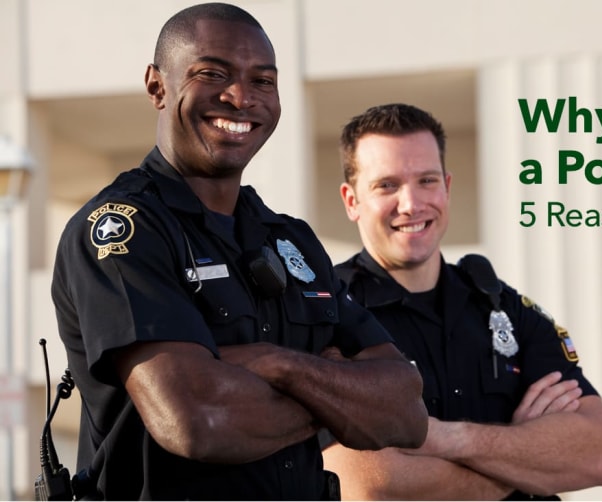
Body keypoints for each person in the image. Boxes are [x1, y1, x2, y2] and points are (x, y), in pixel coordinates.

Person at [50, 4, 427, 500]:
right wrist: (342, 395)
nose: (240, 97)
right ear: (157, 86)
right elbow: (196, 420)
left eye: (263, 81)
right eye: (212, 73)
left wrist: (279, 364)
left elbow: (404, 412)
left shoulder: (292, 241)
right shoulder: (123, 232)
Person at [323, 103, 602, 500]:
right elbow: (370, 486)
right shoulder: (325, 316)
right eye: (386, 185)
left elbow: (595, 455)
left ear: (446, 186)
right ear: (351, 200)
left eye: (426, 180)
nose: (410, 204)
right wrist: (525, 455)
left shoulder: (503, 308)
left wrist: (447, 439)